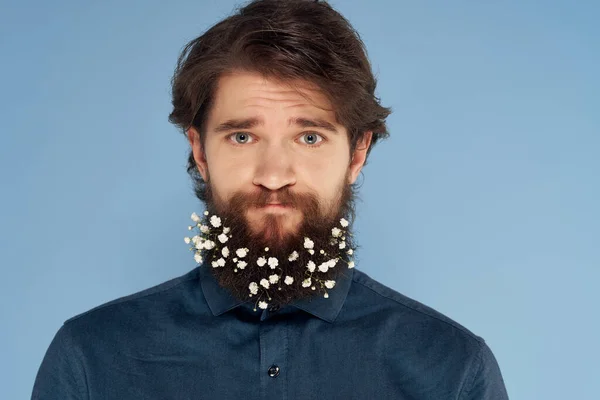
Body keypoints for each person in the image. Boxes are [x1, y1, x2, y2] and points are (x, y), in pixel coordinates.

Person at [32, 0, 509, 398]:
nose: (274, 176)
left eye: (309, 137)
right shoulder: (90, 359)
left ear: (357, 152)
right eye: (242, 137)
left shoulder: (452, 369)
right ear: (200, 150)